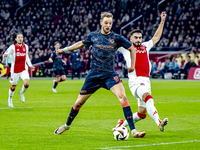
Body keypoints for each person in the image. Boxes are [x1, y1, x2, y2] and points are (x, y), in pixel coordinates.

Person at [54, 12, 146, 138]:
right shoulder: (93, 36)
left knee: (123, 98)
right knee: (78, 103)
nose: (108, 25)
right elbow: (80, 43)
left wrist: (132, 66)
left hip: (109, 75)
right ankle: (67, 125)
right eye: (106, 23)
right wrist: (64, 50)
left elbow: (132, 48)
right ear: (101, 23)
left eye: (110, 23)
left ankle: (134, 130)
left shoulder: (116, 38)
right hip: (93, 76)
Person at [115, 12, 168, 132]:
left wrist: (162, 21)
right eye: (136, 38)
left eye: (140, 37)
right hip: (135, 82)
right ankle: (159, 122)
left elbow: (156, 37)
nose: (138, 40)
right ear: (131, 39)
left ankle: (121, 125)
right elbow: (113, 42)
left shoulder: (145, 46)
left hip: (146, 81)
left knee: (142, 114)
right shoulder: (126, 48)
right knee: (148, 98)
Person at [3, 33, 35, 108]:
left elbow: (26, 56)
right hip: (15, 70)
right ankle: (10, 99)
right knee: (13, 86)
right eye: (19, 37)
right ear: (16, 39)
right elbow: (5, 54)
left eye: (21, 37)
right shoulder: (12, 47)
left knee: (27, 83)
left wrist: (30, 65)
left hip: (24, 69)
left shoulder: (26, 47)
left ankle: (21, 92)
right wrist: (4, 56)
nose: (20, 38)